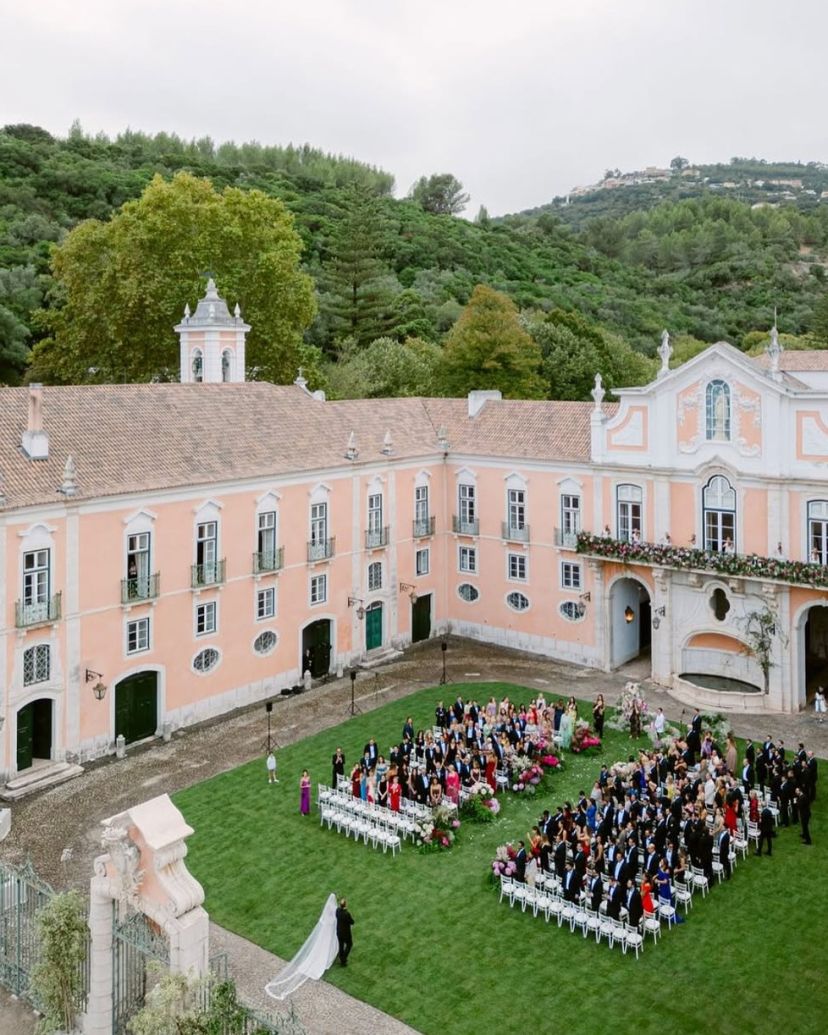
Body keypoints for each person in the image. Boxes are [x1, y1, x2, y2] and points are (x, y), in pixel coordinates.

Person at [335, 898, 355, 966]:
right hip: (346, 933)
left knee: (341, 945)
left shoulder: (337, 911)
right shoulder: (346, 914)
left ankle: (341, 957)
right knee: (349, 944)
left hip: (339, 932)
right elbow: (352, 922)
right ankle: (343, 958)